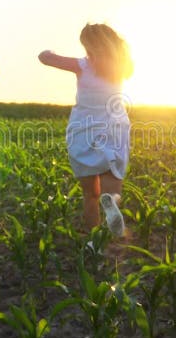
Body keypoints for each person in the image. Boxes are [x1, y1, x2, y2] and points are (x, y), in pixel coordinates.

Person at [38, 23, 133, 236]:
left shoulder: (82, 65)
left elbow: (44, 57)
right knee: (112, 186)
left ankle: (95, 241)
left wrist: (51, 51)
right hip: (114, 130)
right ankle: (112, 207)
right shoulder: (122, 66)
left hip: (84, 130)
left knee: (90, 194)